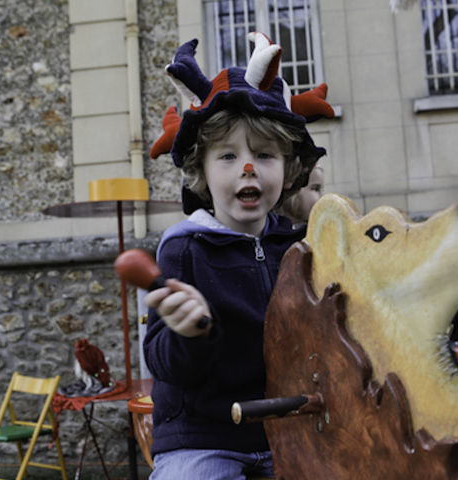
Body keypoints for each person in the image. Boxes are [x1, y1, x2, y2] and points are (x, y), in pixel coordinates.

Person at [142, 33, 333, 479]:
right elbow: (164, 362)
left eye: (264, 154)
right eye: (227, 155)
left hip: (292, 431)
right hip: (203, 437)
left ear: (288, 168)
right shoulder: (185, 247)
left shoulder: (300, 247)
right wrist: (189, 332)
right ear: (201, 172)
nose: (248, 167)